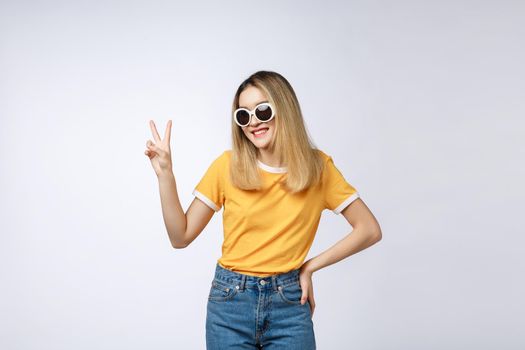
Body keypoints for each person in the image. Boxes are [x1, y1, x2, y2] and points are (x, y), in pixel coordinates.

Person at [144, 70, 382, 349]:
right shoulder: (227, 166)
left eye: (263, 110)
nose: (253, 121)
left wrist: (309, 268)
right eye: (243, 115)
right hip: (230, 304)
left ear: (284, 109)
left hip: (290, 304)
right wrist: (165, 175)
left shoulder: (319, 169)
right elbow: (180, 236)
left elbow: (369, 229)